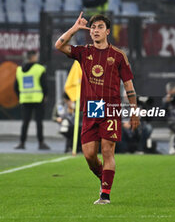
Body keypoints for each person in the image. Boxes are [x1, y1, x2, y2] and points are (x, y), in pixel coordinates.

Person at [54, 12, 140, 204]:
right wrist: (75, 28)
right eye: (93, 27)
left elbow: (129, 86)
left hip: (110, 109)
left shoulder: (118, 56)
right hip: (92, 108)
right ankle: (105, 179)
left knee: (108, 151)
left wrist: (134, 110)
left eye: (100, 27)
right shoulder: (84, 52)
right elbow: (59, 45)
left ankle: (105, 195)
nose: (95, 30)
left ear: (107, 31)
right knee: (90, 155)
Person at [14, 50, 50, 150]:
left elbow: (15, 87)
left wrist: (20, 96)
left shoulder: (19, 70)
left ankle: (22, 143)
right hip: (38, 99)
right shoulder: (39, 69)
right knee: (39, 122)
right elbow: (44, 85)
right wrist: (45, 96)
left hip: (25, 99)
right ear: (33, 57)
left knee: (25, 122)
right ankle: (41, 142)